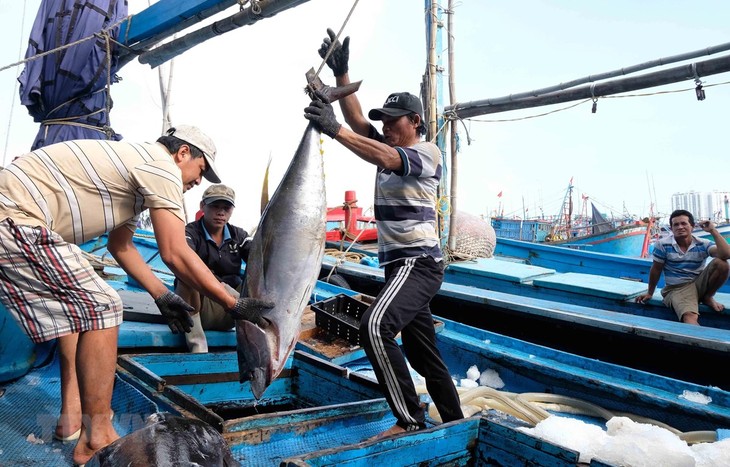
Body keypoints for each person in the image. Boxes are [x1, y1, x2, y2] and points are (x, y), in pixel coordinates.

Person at [0, 125, 272, 465]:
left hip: (17, 218)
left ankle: (74, 422)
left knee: (84, 306)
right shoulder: (160, 165)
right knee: (104, 304)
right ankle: (95, 436)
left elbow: (121, 246)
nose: (198, 182)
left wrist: (160, 294)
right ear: (182, 153)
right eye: (201, 170)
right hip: (14, 217)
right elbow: (173, 250)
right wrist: (234, 303)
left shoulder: (135, 179)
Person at [304, 29, 464, 439]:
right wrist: (343, 77)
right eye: (384, 122)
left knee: (374, 328)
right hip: (398, 268)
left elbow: (383, 152)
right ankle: (456, 423)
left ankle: (409, 420)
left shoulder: (425, 152)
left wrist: (334, 129)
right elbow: (359, 124)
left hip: (419, 263)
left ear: (415, 122)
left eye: (393, 121)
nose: (386, 127)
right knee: (424, 355)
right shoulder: (388, 146)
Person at [175, 183, 250, 353]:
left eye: (226, 208)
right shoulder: (190, 232)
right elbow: (183, 259)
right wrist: (225, 290)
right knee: (187, 275)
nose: (221, 212)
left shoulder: (240, 236)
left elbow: (259, 259)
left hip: (234, 311)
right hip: (199, 310)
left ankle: (254, 339)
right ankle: (198, 345)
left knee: (258, 277)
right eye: (215, 206)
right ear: (202, 206)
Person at [635, 209, 730, 325]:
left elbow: (726, 254)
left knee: (722, 264)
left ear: (692, 226)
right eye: (676, 224)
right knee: (690, 316)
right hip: (677, 288)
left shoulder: (702, 243)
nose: (680, 227)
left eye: (684, 223)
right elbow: (656, 269)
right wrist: (650, 292)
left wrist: (713, 230)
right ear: (672, 228)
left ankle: (708, 297)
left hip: (698, 285)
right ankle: (698, 341)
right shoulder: (663, 244)